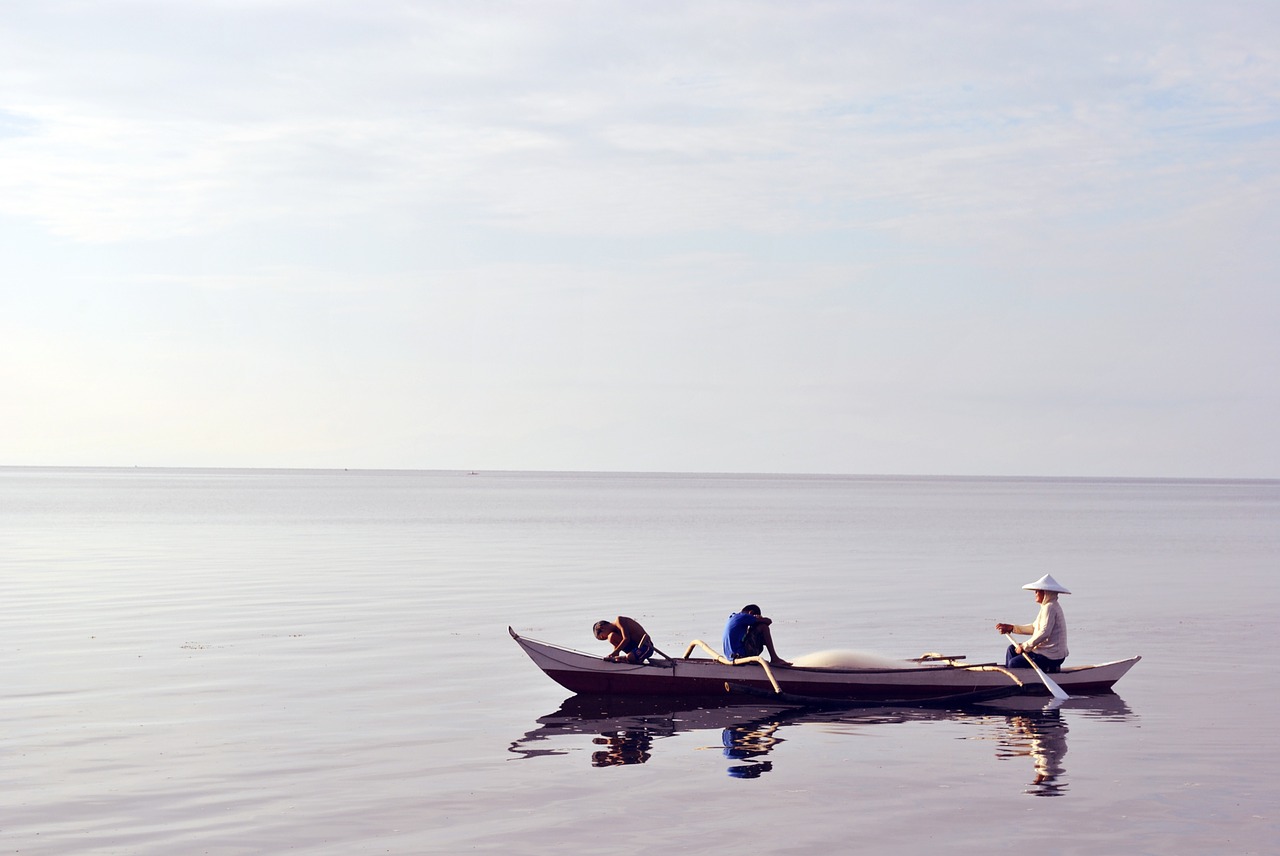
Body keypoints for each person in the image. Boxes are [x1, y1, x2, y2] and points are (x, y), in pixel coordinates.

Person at [995, 573, 1070, 673]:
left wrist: (1025, 646)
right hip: (1044, 652)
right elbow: (1034, 628)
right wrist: (1012, 628)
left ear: (1046, 593)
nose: (1035, 593)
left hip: (1051, 656)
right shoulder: (1047, 606)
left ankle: (1018, 677)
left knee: (1014, 663)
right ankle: (1015, 674)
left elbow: (1044, 633)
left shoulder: (1050, 607)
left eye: (1038, 591)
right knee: (1012, 649)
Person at [722, 604, 790, 665]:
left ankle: (754, 659)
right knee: (763, 627)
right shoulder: (745, 616)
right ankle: (774, 658)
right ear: (751, 612)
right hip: (740, 656)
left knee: (755, 628)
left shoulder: (733, 616)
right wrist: (759, 618)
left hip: (731, 657)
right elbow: (768, 621)